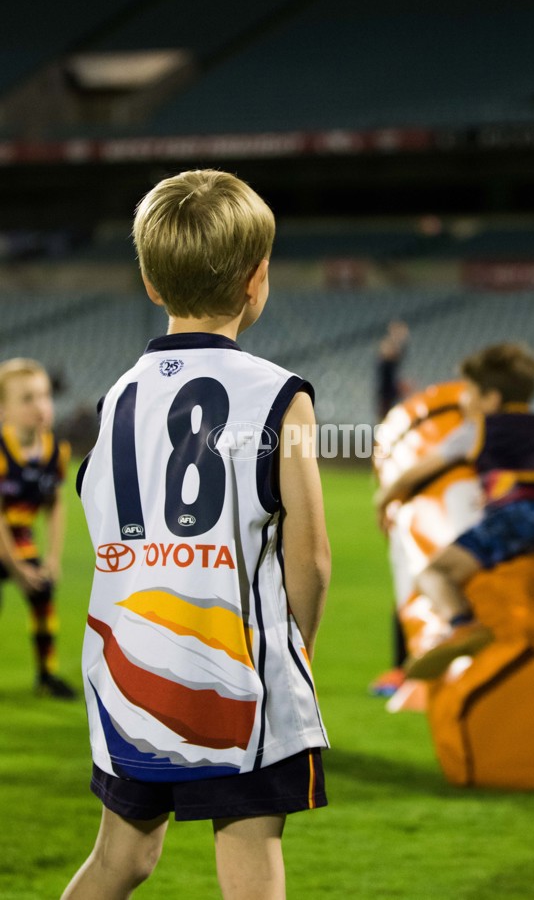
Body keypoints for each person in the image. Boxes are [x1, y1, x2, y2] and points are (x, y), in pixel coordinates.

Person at [61, 169, 331, 900]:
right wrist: (296, 652)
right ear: (257, 278)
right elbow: (310, 557)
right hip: (234, 673)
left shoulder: (115, 399)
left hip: (126, 666)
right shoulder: (280, 396)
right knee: (250, 867)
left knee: (121, 860)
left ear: (151, 283)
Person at [375, 341, 534, 680]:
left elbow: (418, 472)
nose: (463, 400)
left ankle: (462, 625)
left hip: (517, 515)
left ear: (491, 399)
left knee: (434, 573)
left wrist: (383, 499)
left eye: (469, 392)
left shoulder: (477, 429)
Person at [0, 357, 76, 699]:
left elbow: (55, 505)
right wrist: (16, 567)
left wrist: (53, 559)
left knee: (43, 593)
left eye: (44, 396)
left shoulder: (55, 450)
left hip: (20, 538)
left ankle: (47, 676)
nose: (40, 406)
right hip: (4, 540)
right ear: (4, 410)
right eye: (27, 398)